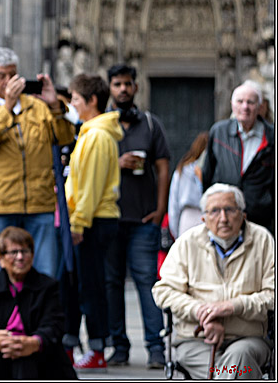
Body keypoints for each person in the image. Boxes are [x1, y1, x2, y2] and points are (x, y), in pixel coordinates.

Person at [0, 47, 75, 280]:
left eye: (12, 75)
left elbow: (64, 137)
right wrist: (6, 109)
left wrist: (55, 106)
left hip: (39, 204)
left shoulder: (37, 107)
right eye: (1, 76)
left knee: (45, 275)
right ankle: (9, 319)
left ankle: (41, 318)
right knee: (2, 276)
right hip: (0, 206)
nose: (7, 81)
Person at [152, 183, 275, 379]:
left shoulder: (263, 241)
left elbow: (272, 294)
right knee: (238, 371)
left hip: (247, 338)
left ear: (243, 214)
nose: (223, 218)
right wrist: (202, 313)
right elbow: (164, 291)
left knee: (240, 357)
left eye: (230, 210)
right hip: (195, 341)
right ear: (204, 218)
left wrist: (232, 307)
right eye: (215, 211)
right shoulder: (186, 242)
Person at [103, 63, 170, 368]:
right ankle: (118, 346)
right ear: (110, 88)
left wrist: (160, 210)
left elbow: (162, 168)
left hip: (143, 219)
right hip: (108, 218)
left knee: (147, 282)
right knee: (111, 282)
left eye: (127, 84)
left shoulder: (151, 124)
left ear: (136, 87)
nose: (123, 89)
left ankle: (156, 348)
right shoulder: (100, 125)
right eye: (117, 84)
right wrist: (116, 163)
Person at [0, 227, 77, 379]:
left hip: (37, 356)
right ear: (1, 259)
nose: (20, 257)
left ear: (33, 256)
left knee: (26, 359)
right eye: (13, 252)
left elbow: (54, 325)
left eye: (25, 251)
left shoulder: (48, 287)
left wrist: (33, 343)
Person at [63, 73, 122, 369]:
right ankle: (77, 345)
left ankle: (97, 348)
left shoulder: (97, 136)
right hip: (88, 219)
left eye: (75, 99)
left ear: (92, 101)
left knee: (91, 286)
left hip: (93, 221)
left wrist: (78, 223)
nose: (72, 105)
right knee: (79, 284)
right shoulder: (90, 132)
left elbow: (90, 186)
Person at [202, 81, 274, 233]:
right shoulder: (219, 132)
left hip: (261, 220)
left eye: (250, 102)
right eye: (240, 101)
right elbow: (207, 174)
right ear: (232, 104)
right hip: (224, 219)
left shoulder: (272, 137)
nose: (245, 107)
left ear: (260, 106)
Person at [168, 132, 209, 240]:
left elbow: (173, 205)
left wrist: (175, 231)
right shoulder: (184, 170)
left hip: (187, 219)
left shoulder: (181, 170)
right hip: (202, 216)